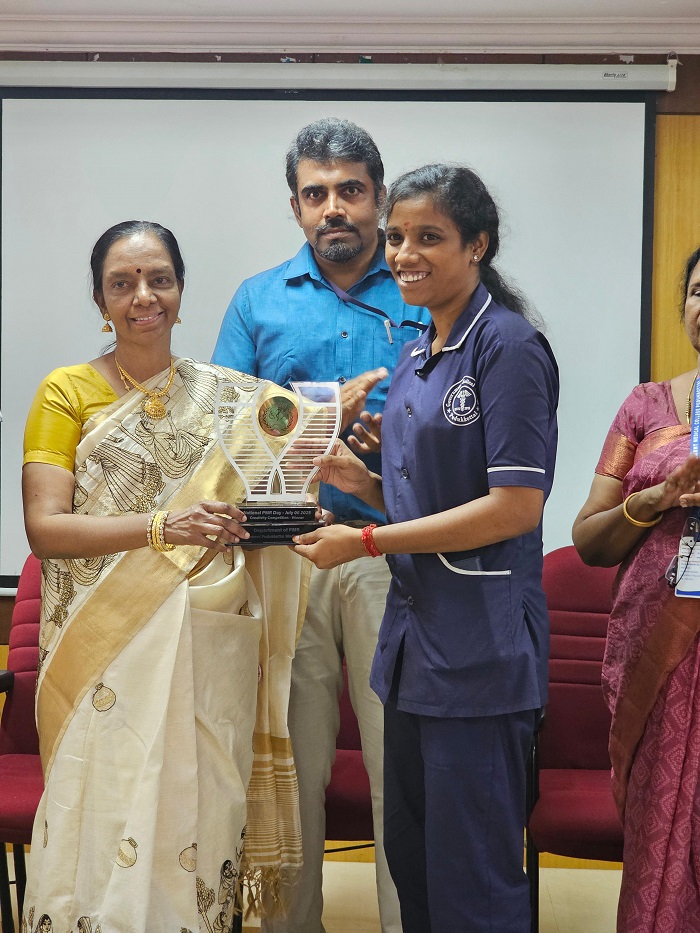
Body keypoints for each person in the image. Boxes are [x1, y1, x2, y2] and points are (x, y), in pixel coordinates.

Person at [20, 220, 317, 932]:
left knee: (196, 809)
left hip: (202, 643)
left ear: (181, 291)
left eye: (159, 280)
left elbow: (285, 468)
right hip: (101, 646)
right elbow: (46, 529)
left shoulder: (230, 401)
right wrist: (164, 526)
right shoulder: (66, 392)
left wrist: (303, 493)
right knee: (102, 814)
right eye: (122, 284)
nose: (143, 297)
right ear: (100, 299)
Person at [293, 163, 559, 932]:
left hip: (481, 655)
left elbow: (514, 506)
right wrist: (359, 480)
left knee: (471, 878)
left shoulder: (509, 348)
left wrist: (365, 538)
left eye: (429, 237)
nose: (405, 254)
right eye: (398, 236)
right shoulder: (415, 351)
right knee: (414, 864)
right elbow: (425, 500)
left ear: (478, 244)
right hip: (412, 655)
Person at [212, 117, 430, 933]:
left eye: (350, 190)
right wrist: (314, 420)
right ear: (296, 205)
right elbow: (223, 428)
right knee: (290, 771)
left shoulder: (421, 289)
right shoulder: (258, 299)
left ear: (379, 196)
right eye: (315, 193)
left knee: (398, 765)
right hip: (286, 557)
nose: (333, 207)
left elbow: (455, 419)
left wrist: (387, 441)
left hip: (390, 554)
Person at [573, 246, 700, 932]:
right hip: (657, 651)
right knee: (660, 831)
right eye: (699, 292)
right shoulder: (645, 406)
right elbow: (590, 538)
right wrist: (652, 501)